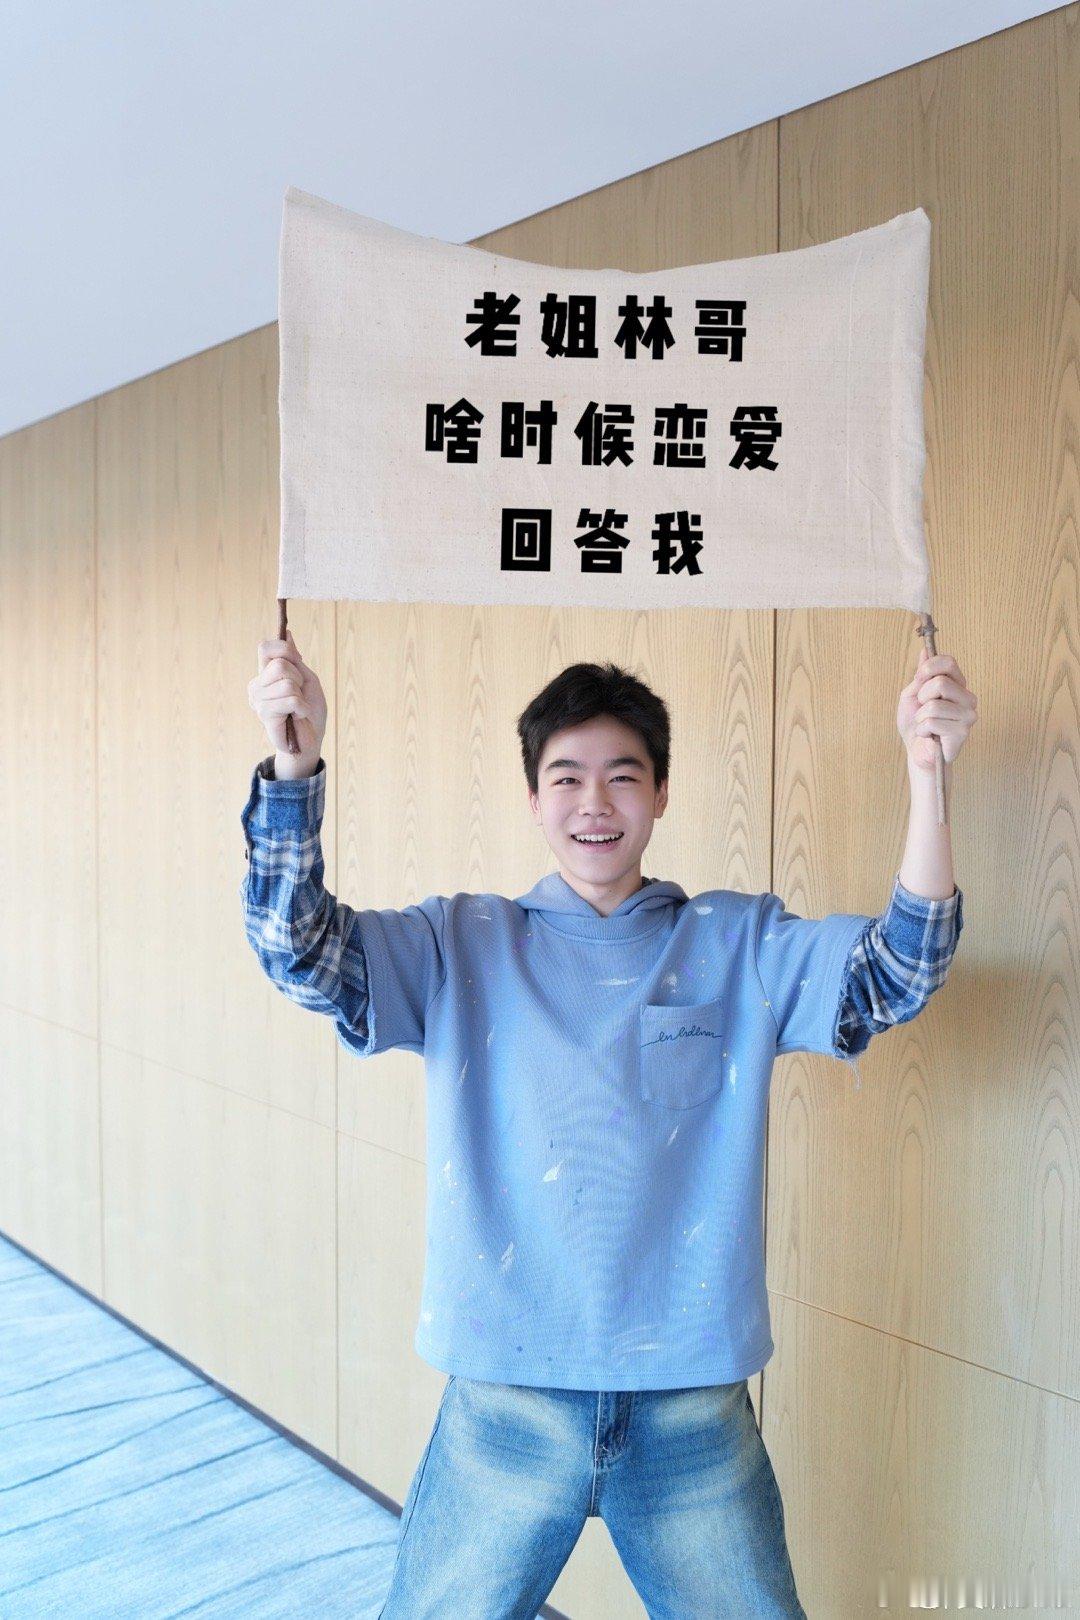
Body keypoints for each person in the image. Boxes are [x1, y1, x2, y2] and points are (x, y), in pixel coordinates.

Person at [241, 631, 975, 1619]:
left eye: (624, 776)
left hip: (691, 1401)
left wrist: (928, 776)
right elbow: (296, 949)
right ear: (533, 797)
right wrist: (294, 770)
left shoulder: (738, 941)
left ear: (662, 792)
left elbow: (900, 970)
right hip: (507, 1394)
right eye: (567, 777)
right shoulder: (461, 942)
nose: (595, 802)